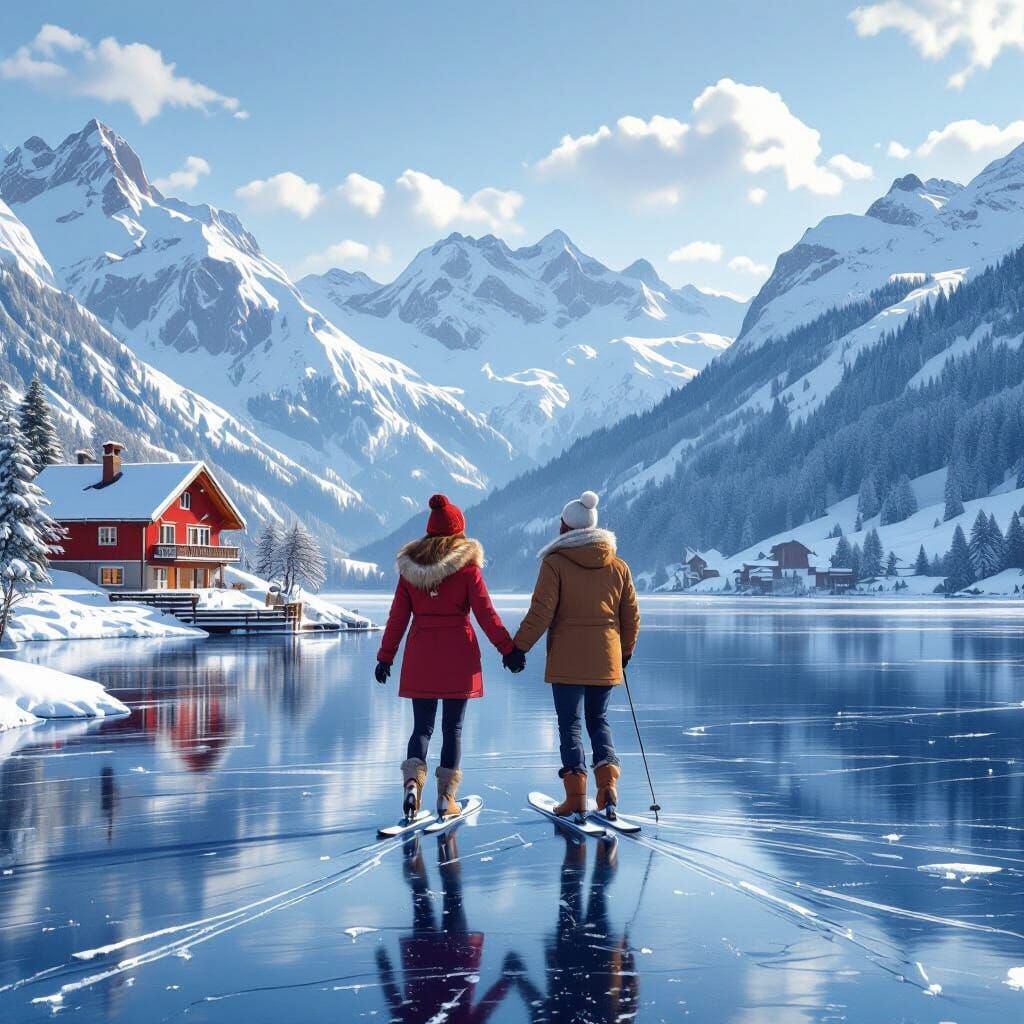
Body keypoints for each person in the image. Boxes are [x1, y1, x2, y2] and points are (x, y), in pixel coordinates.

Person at [376, 494, 525, 820]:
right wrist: (508, 649)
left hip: (421, 658)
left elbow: (397, 618)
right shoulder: (467, 570)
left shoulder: (410, 572)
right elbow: (486, 614)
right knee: (452, 729)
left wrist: (385, 657)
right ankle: (446, 798)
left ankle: (412, 783)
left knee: (422, 728)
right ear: (458, 532)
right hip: (459, 656)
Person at [511, 490, 639, 819]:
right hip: (605, 659)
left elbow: (541, 612)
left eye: (561, 523)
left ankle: (576, 798)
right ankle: (608, 791)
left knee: (570, 726)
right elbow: (631, 617)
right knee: (599, 720)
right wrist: (624, 652)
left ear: (566, 528)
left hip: (567, 660)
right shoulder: (619, 566)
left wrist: (518, 648)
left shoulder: (555, 564)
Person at [375, 833, 515, 1023]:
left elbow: (486, 1006)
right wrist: (384, 967)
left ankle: (446, 838)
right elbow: (395, 1002)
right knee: (420, 895)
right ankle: (413, 844)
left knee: (453, 896)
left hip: (457, 957)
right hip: (422, 959)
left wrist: (507, 979)